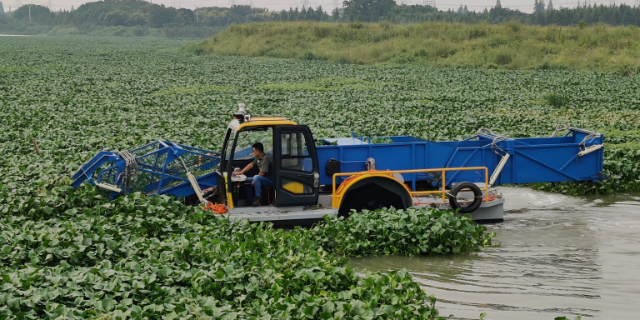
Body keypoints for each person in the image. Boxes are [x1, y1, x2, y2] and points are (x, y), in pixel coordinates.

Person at [233, 142, 273, 206]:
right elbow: (250, 165)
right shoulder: (258, 158)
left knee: (256, 177)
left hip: (270, 180)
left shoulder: (266, 158)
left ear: (258, 151)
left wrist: (254, 180)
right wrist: (240, 172)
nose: (253, 152)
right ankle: (250, 200)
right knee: (245, 180)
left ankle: (258, 198)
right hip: (262, 178)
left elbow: (262, 173)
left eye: (253, 151)